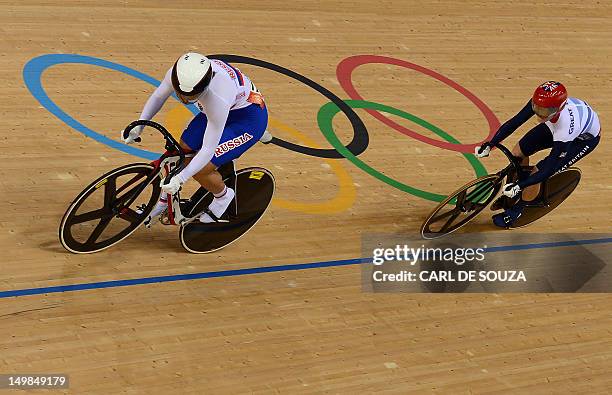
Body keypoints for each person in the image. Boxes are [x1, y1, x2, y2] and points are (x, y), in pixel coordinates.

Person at [123, 52, 271, 224]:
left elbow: (208, 149)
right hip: (227, 106)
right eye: (180, 95)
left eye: (191, 97)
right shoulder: (179, 73)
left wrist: (180, 178)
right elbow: (158, 96)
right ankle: (163, 202)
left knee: (202, 170)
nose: (185, 100)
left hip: (248, 119)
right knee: (182, 149)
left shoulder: (218, 97)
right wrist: (139, 126)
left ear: (205, 86)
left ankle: (223, 196)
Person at [475, 81, 601, 227]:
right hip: (554, 124)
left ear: (558, 109)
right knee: (518, 152)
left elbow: (548, 169)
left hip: (580, 141)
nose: (539, 113)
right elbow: (515, 122)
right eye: (537, 108)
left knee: (538, 173)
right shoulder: (543, 102)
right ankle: (519, 189)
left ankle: (517, 210)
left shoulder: (566, 128)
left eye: (545, 111)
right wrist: (491, 144)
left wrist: (521, 185)